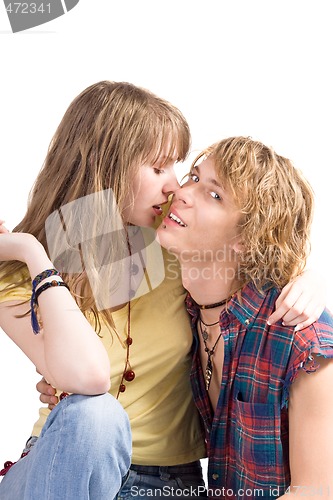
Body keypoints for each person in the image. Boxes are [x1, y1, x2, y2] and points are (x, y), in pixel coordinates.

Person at [0, 82, 326, 499]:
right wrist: (33, 255)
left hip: (169, 483)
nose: (175, 186)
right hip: (63, 469)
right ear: (108, 169)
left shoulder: (174, 248)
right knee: (94, 416)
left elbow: (260, 242)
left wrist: (310, 280)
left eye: (178, 168)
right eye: (159, 169)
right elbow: (89, 377)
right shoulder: (18, 277)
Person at [156, 136, 333, 499]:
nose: (184, 193)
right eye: (194, 177)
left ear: (247, 238)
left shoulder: (302, 341)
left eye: (215, 195)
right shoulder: (185, 306)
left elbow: (316, 492)